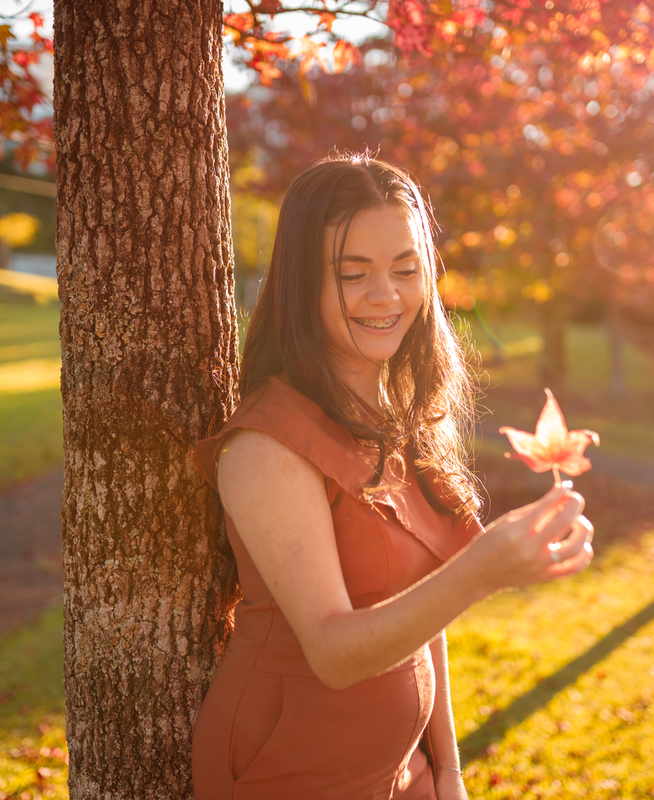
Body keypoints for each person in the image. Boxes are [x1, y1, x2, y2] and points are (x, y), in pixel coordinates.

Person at [190, 153, 594, 800]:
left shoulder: (392, 418)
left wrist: (448, 770)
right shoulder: (266, 445)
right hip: (288, 770)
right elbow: (331, 651)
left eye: (406, 270)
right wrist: (480, 572)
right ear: (301, 283)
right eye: (354, 274)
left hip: (404, 773)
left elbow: (420, 610)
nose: (387, 295)